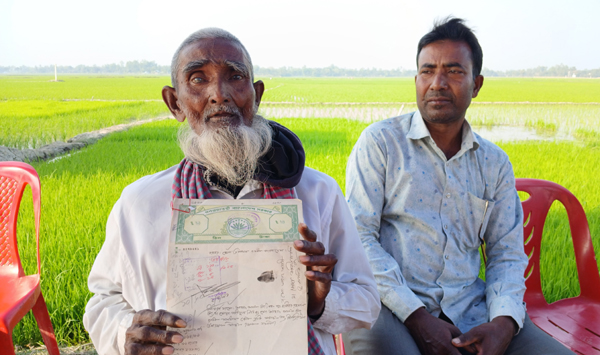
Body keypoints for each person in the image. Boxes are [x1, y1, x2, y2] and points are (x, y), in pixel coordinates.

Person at [83, 28, 380, 355]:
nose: (219, 94)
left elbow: (366, 301)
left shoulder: (317, 192)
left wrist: (317, 300)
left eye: (235, 77)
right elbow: (102, 300)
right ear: (175, 103)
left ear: (256, 95)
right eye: (197, 79)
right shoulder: (140, 204)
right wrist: (126, 332)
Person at [344, 18, 573, 355]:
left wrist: (504, 324)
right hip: (389, 306)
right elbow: (359, 238)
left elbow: (506, 254)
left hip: (471, 309)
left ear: (476, 84)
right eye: (427, 71)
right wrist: (418, 318)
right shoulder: (381, 143)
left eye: (453, 71)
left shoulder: (493, 163)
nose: (437, 83)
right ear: (416, 79)